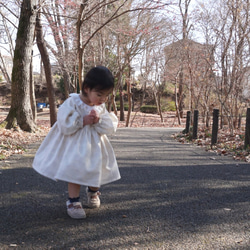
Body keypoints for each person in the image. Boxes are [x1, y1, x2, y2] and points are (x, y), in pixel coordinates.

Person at [33, 66, 120, 219]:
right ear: (87, 88)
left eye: (106, 95)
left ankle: (93, 192)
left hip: (95, 145)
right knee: (75, 170)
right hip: (75, 145)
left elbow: (109, 126)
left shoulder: (100, 106)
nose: (103, 99)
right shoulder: (73, 102)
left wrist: (99, 120)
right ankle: (73, 201)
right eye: (99, 94)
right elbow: (64, 122)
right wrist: (82, 120)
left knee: (96, 168)